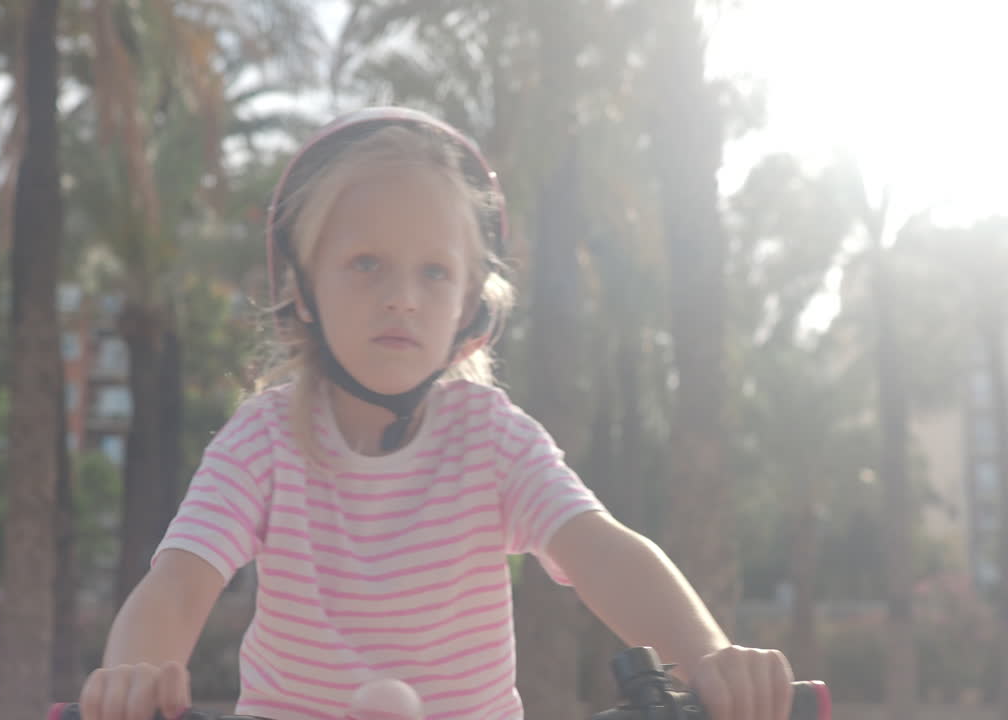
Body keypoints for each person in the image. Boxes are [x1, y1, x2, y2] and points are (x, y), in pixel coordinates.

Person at [79, 107, 794, 720]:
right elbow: (178, 582)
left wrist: (706, 656)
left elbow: (601, 551)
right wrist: (133, 676)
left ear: (470, 307)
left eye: (434, 271)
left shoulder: (492, 437)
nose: (403, 297)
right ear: (301, 290)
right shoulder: (263, 439)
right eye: (366, 263)